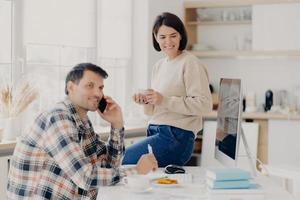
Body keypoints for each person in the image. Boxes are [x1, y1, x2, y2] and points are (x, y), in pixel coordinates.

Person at [7, 63, 158, 199]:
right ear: (71, 87)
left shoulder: (82, 121)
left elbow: (109, 166)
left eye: (100, 87)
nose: (98, 94)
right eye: (90, 86)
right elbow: (85, 177)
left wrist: (117, 125)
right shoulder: (58, 118)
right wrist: (136, 171)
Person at [122, 12, 212, 167]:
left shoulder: (190, 63)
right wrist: (146, 102)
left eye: (173, 35)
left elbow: (204, 105)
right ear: (156, 38)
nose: (168, 41)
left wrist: (164, 100)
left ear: (181, 36)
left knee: (120, 160)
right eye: (162, 37)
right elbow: (152, 112)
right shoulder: (159, 66)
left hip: (176, 137)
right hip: (156, 132)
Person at [215, 79, 241, 159]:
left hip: (230, 136)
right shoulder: (226, 80)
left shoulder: (235, 80)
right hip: (224, 136)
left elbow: (237, 107)